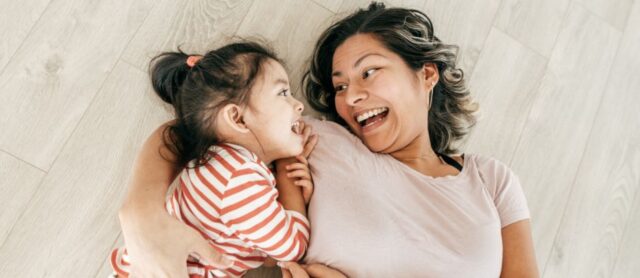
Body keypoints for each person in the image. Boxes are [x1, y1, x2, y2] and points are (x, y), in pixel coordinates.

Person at [117, 3, 539, 277]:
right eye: (339, 86)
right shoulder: (313, 141)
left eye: (369, 72)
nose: (351, 96)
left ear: (426, 74)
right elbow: (194, 131)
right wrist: (139, 213)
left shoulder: (491, 181)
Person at [109, 41, 318, 277]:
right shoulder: (238, 177)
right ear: (237, 119)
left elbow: (269, 257)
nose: (299, 105)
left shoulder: (224, 165)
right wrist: (288, 170)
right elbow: (293, 247)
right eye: (283, 93)